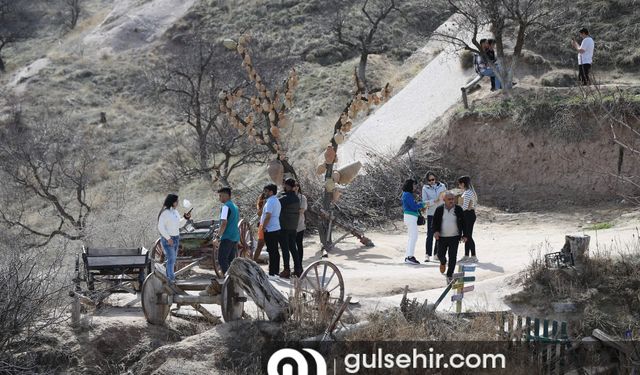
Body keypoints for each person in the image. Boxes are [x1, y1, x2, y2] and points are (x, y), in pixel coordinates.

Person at [432, 192, 466, 283]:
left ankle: (449, 275)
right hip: (442, 237)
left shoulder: (458, 209)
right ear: (444, 200)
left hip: (454, 237)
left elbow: (464, 223)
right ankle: (443, 262)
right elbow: (434, 222)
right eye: (449, 199)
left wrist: (465, 235)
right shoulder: (439, 209)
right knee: (440, 255)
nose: (451, 201)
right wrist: (435, 231)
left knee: (453, 257)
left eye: (452, 199)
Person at [278, 178, 301, 278]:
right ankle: (298, 269)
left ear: (287, 186)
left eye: (285, 185)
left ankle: (286, 269)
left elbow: (277, 204)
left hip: (284, 226)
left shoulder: (285, 198)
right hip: (293, 227)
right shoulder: (296, 197)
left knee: (285, 249)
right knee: (293, 248)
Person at [421, 172, 447, 262]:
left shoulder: (442, 186)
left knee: (439, 233)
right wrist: (434, 201)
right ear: (427, 180)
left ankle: (437, 254)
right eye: (430, 180)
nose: (432, 181)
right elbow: (424, 202)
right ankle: (427, 254)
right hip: (431, 213)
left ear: (436, 178)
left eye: (433, 179)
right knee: (430, 234)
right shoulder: (425, 188)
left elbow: (446, 197)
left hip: (441, 213)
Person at [215, 187, 240, 275]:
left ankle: (228, 278)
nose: (219, 198)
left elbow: (224, 222)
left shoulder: (225, 207)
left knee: (222, 259)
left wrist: (218, 237)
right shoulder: (235, 207)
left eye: (220, 195)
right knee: (231, 260)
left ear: (225, 196)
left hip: (227, 237)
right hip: (235, 236)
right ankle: (233, 278)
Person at [157, 193, 181, 284]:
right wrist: (168, 238)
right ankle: (171, 279)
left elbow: (180, 224)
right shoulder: (165, 213)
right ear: (172, 202)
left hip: (176, 237)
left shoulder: (175, 212)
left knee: (172, 259)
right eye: (176, 201)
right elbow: (160, 227)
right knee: (171, 259)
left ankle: (168, 279)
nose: (178, 203)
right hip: (169, 239)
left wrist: (186, 218)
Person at [402, 179, 425, 265]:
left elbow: (413, 205)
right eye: (414, 185)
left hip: (410, 217)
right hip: (410, 217)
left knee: (412, 237)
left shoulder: (407, 194)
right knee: (413, 237)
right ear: (410, 185)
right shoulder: (407, 194)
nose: (415, 187)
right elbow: (413, 206)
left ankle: (408, 256)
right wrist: (422, 204)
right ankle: (410, 257)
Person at [260, 184, 281, 279]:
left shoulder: (270, 202)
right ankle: (275, 271)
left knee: (272, 251)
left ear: (271, 192)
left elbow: (268, 216)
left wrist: (263, 227)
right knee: (275, 251)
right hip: (275, 227)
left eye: (266, 191)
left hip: (270, 228)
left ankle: (272, 273)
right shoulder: (276, 200)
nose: (265, 193)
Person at [457, 176, 478, 263]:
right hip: (468, 214)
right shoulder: (469, 192)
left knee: (468, 235)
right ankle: (466, 255)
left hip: (468, 215)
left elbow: (464, 207)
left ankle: (473, 256)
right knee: (466, 235)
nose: (459, 186)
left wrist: (457, 210)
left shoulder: (468, 193)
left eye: (459, 184)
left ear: (463, 184)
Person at [293, 182, 307, 268]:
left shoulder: (302, 198)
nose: (295, 187)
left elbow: (302, 210)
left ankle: (299, 264)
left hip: (299, 224)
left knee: (299, 244)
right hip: (289, 225)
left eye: (297, 186)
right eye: (294, 186)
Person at [253, 192, 266, 262]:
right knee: (260, 244)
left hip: (272, 225)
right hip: (262, 224)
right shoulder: (261, 201)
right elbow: (259, 213)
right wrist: (263, 205)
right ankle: (254, 261)